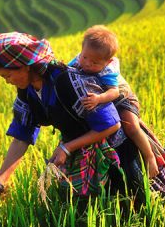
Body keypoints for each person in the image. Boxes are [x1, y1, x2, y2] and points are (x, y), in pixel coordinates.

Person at [0, 32, 165, 212]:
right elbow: (21, 137)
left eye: (7, 75)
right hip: (81, 147)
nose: (7, 81)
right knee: (93, 209)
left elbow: (111, 124)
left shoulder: (70, 82)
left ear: (26, 67)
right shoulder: (26, 93)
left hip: (116, 147)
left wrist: (67, 147)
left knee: (140, 200)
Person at [68, 25, 159, 178]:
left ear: (107, 62)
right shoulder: (80, 58)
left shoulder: (108, 70)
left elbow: (114, 92)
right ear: (82, 50)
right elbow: (68, 71)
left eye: (95, 62)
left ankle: (149, 157)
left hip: (122, 99)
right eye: (85, 58)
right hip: (107, 103)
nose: (88, 64)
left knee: (131, 127)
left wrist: (98, 99)